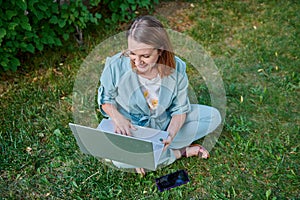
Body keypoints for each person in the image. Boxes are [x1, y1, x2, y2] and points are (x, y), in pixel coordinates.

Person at [97, 15, 221, 176]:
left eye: (145, 56)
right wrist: (118, 119)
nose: (137, 61)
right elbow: (106, 99)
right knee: (118, 160)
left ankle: (149, 155)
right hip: (131, 129)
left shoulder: (177, 68)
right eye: (132, 53)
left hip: (164, 124)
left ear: (160, 50)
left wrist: (169, 136)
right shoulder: (116, 65)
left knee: (213, 117)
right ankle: (179, 152)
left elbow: (180, 110)